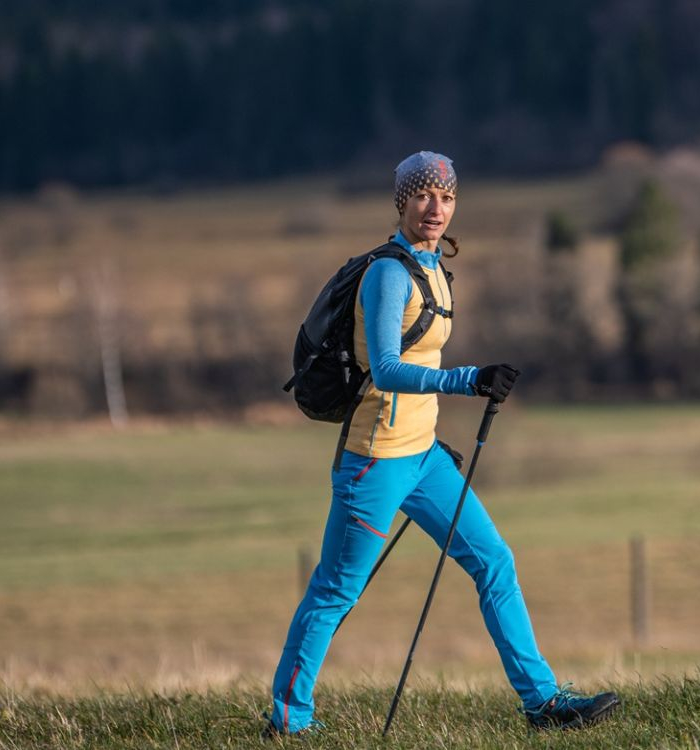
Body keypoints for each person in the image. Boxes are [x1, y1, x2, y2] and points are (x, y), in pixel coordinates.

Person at [262, 151, 620, 737]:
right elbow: (386, 368)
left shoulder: (433, 268)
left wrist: (430, 436)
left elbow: (420, 360)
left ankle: (544, 703)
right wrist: (468, 379)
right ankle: (288, 719)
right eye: (424, 195)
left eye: (447, 197)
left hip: (423, 458)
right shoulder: (387, 274)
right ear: (402, 200)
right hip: (374, 463)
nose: (436, 208)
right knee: (335, 591)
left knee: (493, 561)